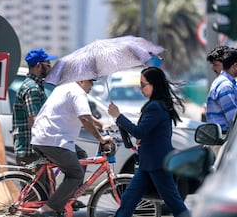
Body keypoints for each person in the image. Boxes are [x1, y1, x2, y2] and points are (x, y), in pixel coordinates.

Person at [107, 67, 190, 217]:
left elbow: (139, 131)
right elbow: (151, 132)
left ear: (154, 85)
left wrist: (118, 116)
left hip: (158, 163)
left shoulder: (155, 106)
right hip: (149, 163)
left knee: (174, 203)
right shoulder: (158, 104)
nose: (141, 88)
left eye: (143, 84)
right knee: (128, 199)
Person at [31, 78, 113, 216]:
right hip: (53, 141)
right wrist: (101, 138)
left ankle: (69, 198)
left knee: (81, 155)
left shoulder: (65, 87)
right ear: (81, 80)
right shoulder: (77, 92)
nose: (92, 85)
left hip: (46, 138)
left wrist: (101, 124)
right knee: (76, 174)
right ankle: (47, 209)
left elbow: (85, 114)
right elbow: (85, 119)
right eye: (90, 81)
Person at [12, 48, 57, 166]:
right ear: (38, 66)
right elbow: (34, 120)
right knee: (38, 185)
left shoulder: (36, 86)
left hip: (32, 150)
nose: (50, 68)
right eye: (48, 65)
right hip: (30, 151)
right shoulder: (32, 88)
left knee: (45, 184)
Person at [205, 47, 237, 134]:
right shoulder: (225, 86)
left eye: (215, 64)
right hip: (224, 140)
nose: (213, 69)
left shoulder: (227, 84)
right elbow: (233, 120)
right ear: (235, 66)